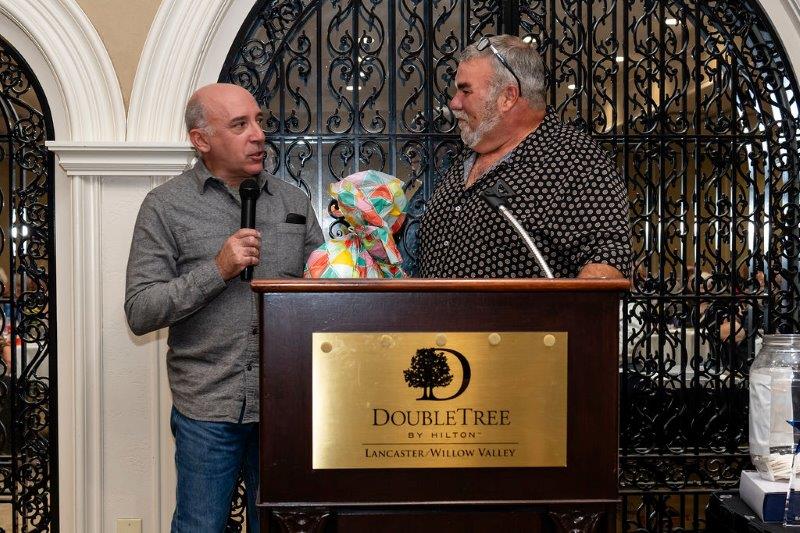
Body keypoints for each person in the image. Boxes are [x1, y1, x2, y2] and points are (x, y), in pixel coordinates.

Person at [124, 83, 323, 532]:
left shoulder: (293, 202)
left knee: (280, 525)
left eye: (259, 121)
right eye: (239, 125)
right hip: (207, 407)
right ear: (201, 139)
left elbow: (321, 289)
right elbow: (140, 309)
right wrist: (218, 270)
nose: (258, 134)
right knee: (200, 525)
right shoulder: (165, 207)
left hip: (285, 402)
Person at [417, 35, 630, 279]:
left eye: (465, 91)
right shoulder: (465, 156)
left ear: (508, 97)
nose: (454, 103)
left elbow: (607, 263)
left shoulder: (574, 159)